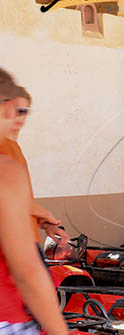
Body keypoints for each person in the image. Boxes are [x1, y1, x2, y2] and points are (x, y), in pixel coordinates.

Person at [0, 75, 81, 335]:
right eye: (18, 111)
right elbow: (26, 271)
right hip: (5, 318)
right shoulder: (5, 164)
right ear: (8, 108)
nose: (20, 119)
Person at [0, 86, 62, 244]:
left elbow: (20, 199)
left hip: (25, 238)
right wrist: (46, 214)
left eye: (23, 110)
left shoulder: (14, 147)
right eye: (12, 109)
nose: (16, 116)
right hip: (13, 243)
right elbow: (9, 199)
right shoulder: (3, 148)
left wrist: (44, 221)